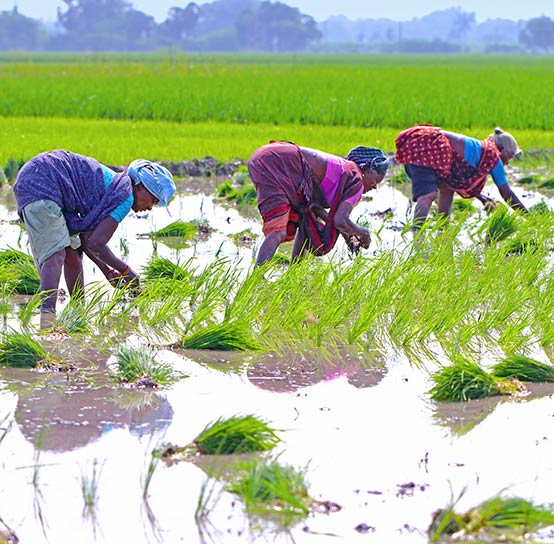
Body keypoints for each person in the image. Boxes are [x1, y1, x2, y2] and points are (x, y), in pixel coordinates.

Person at [13, 150, 176, 325]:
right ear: (141, 187)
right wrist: (129, 273)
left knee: (73, 254)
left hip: (40, 177)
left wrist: (106, 270)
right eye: (153, 200)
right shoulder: (125, 196)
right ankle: (47, 320)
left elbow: (86, 241)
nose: (150, 207)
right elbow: (96, 243)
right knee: (56, 255)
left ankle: (78, 313)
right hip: (41, 183)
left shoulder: (115, 188)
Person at [247, 141, 390, 265]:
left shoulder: (343, 174)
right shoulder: (356, 179)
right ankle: (257, 279)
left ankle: (293, 272)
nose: (375, 186)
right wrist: (363, 233)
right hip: (278, 161)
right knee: (277, 232)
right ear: (365, 170)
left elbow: (315, 212)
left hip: (266, 155)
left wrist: (349, 236)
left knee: (303, 219)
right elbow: (340, 219)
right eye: (376, 181)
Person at [395, 125, 527, 226]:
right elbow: (506, 193)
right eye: (509, 157)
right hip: (426, 146)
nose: (507, 162)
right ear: (503, 150)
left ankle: (441, 229)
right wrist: (529, 217)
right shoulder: (493, 155)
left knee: (446, 190)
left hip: (423, 141)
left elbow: (449, 187)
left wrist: (443, 228)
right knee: (427, 195)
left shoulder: (480, 152)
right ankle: (416, 233)